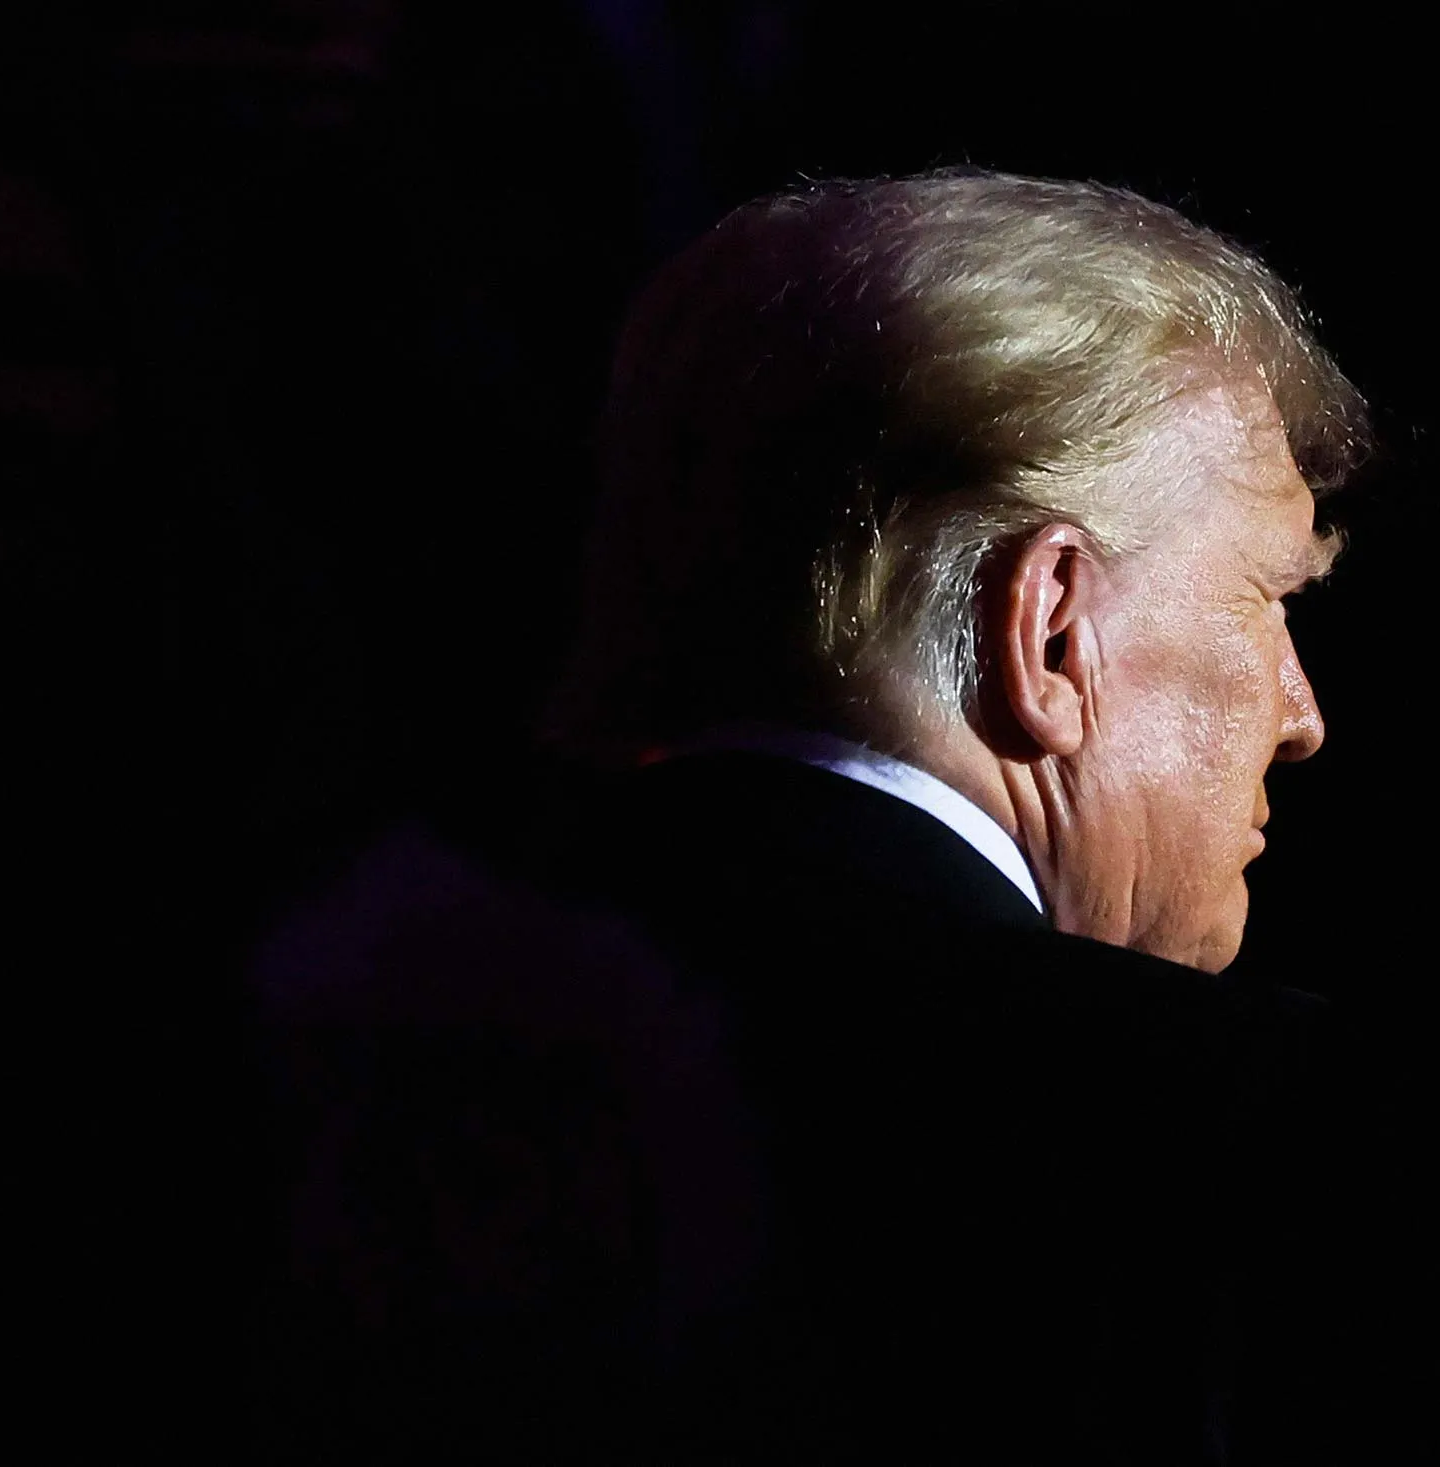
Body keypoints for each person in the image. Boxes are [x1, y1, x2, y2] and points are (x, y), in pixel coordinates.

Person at [250, 169, 1371, 1464]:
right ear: (1054, 631)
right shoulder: (1231, 1130)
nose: (1303, 714)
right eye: (1269, 598)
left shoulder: (301, 1027)